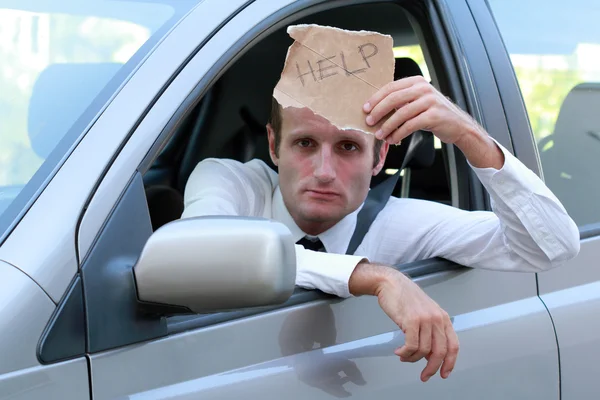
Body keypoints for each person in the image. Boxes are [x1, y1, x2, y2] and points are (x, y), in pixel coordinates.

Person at [181, 75, 580, 382]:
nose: (323, 172)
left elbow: (551, 247)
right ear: (273, 146)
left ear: (379, 156)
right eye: (304, 143)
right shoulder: (229, 181)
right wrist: (375, 277)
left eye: (348, 147)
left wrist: (468, 134)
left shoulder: (398, 220)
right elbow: (202, 251)